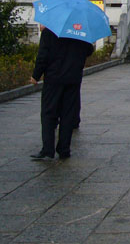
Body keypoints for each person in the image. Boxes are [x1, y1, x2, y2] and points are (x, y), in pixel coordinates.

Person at [30, 27, 94, 160]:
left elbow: (43, 55)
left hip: (54, 78)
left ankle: (48, 149)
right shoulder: (80, 32)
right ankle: (64, 149)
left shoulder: (49, 31)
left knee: (48, 113)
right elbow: (89, 50)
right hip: (73, 78)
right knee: (68, 114)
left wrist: (36, 75)